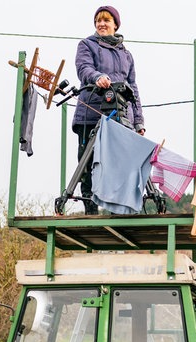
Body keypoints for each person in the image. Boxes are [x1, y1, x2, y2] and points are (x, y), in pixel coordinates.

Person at [72, 5, 145, 215]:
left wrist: (138, 121)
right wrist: (97, 77)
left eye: (106, 20)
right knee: (87, 162)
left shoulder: (127, 55)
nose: (101, 24)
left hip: (121, 117)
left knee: (120, 163)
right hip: (91, 113)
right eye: (98, 21)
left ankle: (117, 210)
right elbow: (83, 68)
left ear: (115, 24)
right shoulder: (87, 45)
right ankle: (90, 209)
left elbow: (134, 88)